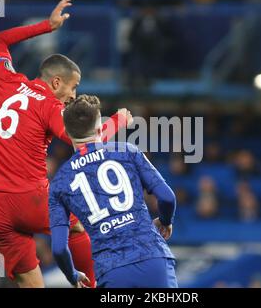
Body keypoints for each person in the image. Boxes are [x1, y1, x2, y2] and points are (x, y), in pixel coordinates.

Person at [0, 0, 131, 288]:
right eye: (73, 86)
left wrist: (47, 26)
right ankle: (95, 286)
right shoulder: (50, 106)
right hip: (27, 198)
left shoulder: (3, 79)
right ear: (56, 82)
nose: (73, 94)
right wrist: (117, 121)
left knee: (31, 284)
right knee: (78, 224)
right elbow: (84, 142)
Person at [49, 95, 178, 288]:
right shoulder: (128, 151)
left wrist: (72, 274)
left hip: (111, 270)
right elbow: (167, 198)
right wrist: (165, 221)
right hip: (153, 257)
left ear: (67, 133)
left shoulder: (59, 183)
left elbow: (59, 249)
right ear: (100, 127)